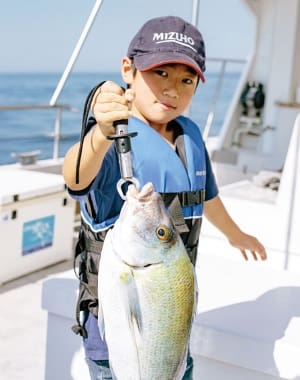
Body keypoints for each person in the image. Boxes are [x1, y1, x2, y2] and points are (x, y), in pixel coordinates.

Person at [63, 15, 267, 380]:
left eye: (186, 79)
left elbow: (205, 196)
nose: (173, 89)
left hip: (170, 329)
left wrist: (235, 234)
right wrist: (100, 134)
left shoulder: (189, 137)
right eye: (160, 73)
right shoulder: (113, 138)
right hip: (118, 343)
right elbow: (75, 179)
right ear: (129, 70)